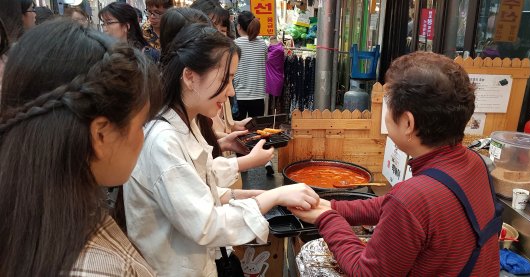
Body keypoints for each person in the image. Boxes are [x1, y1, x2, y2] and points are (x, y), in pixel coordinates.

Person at [124, 24, 319, 276]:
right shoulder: (163, 140)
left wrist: (258, 195)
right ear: (190, 76)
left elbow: (199, 184)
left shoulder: (184, 121)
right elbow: (206, 223)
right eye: (226, 79)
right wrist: (274, 196)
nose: (231, 91)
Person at [292, 52, 502, 276]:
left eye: (387, 106)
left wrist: (327, 219)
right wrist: (333, 207)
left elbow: (367, 273)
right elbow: (391, 205)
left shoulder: (414, 197)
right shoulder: (475, 162)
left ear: (408, 122)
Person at [0, 18, 160, 276]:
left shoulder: (23, 218)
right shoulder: (108, 269)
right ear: (100, 134)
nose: (143, 137)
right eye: (141, 124)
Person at [233, 11, 267, 121]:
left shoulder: (234, 44)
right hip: (258, 95)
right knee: (257, 131)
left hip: (239, 95)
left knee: (237, 132)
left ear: (239, 26)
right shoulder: (262, 44)